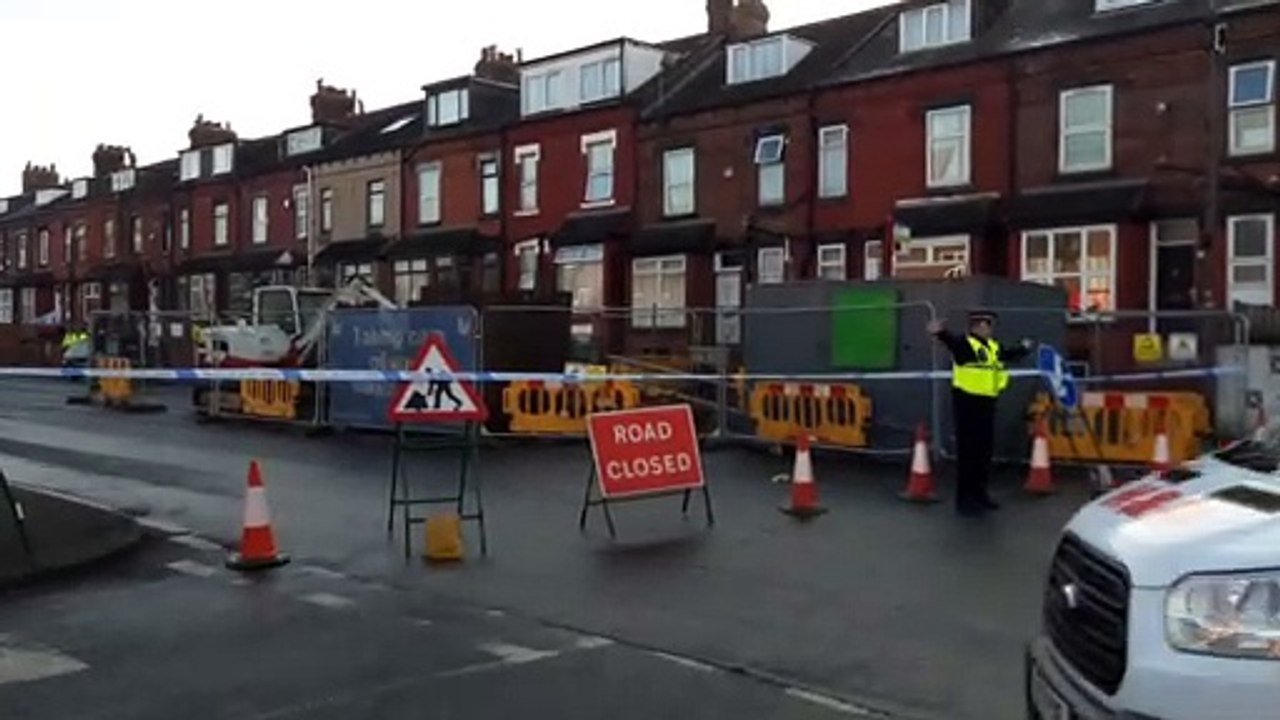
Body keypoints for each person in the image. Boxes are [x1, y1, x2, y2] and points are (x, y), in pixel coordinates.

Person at [927, 310, 1034, 517]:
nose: (990, 329)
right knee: (968, 454)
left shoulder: (992, 347)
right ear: (977, 326)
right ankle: (965, 499)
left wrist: (1023, 348)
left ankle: (981, 495)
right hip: (967, 403)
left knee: (983, 453)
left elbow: (1007, 354)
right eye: (986, 325)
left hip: (987, 402)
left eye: (991, 325)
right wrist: (940, 333)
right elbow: (952, 342)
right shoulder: (966, 344)